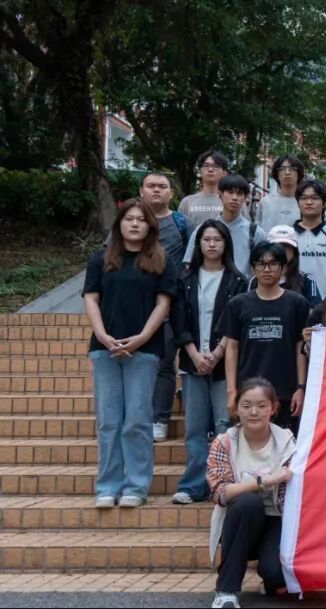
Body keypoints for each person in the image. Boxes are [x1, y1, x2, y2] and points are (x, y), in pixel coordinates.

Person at [83, 198, 177, 508]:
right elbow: (91, 299)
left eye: (141, 219)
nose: (135, 224)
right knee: (108, 421)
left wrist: (142, 338)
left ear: (150, 226)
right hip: (105, 350)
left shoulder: (161, 260)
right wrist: (102, 336)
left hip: (145, 350)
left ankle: (136, 486)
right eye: (129, 218)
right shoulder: (101, 258)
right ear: (119, 223)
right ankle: (107, 487)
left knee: (137, 420)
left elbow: (163, 304)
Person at [170, 220, 248, 506]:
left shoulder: (237, 280)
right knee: (194, 427)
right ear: (198, 244)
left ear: (226, 244)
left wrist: (217, 353)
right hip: (192, 361)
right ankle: (193, 485)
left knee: (224, 424)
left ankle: (224, 483)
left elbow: (236, 323)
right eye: (206, 239)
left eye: (218, 239)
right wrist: (194, 354)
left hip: (224, 364)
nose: (212, 244)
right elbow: (178, 320)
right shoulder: (185, 278)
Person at [206, 378, 296, 609]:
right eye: (246, 406)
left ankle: (271, 575)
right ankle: (225, 591)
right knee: (248, 502)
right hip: (240, 520)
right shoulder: (224, 442)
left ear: (273, 408)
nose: (254, 412)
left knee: (277, 577)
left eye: (262, 405)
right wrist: (264, 481)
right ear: (236, 409)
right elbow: (220, 493)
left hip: (277, 520)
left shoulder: (288, 442)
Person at [220, 242, 310, 434]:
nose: (267, 269)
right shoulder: (238, 304)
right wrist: (231, 391)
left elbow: (300, 347)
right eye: (261, 264)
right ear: (253, 269)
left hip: (285, 391)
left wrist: (301, 387)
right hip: (248, 391)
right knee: (248, 443)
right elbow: (232, 347)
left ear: (283, 268)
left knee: (286, 444)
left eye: (273, 263)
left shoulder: (297, 303)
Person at [133, 173, 187, 444]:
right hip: (135, 305)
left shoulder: (181, 223)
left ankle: (159, 419)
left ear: (171, 193)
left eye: (162, 186)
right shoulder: (132, 221)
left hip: (171, 304)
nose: (156, 190)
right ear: (141, 190)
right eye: (151, 186)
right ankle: (135, 417)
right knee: (136, 362)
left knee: (165, 363)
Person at [183, 174, 267, 278]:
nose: (234, 198)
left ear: (245, 198)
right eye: (230, 192)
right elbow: (189, 264)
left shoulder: (255, 233)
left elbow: (263, 266)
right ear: (220, 194)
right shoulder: (203, 230)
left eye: (239, 193)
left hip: (243, 286)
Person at [292, 178, 326, 298]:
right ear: (298, 202)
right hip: (294, 301)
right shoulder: (288, 235)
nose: (309, 202)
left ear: (324, 203)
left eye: (315, 198)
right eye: (304, 198)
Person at [256, 226, 321, 307]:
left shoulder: (307, 280)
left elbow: (315, 310)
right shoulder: (256, 279)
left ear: (294, 250)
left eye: (287, 246)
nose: (282, 250)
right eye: (277, 246)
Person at [180, 150, 241, 227]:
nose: (210, 169)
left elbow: (245, 228)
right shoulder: (187, 202)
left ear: (224, 173)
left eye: (216, 166)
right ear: (200, 171)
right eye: (206, 166)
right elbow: (180, 230)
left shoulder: (235, 200)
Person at [255, 155, 305, 233]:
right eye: (282, 169)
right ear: (277, 174)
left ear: (299, 173)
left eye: (292, 168)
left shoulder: (306, 202)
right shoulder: (266, 202)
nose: (287, 172)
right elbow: (257, 232)